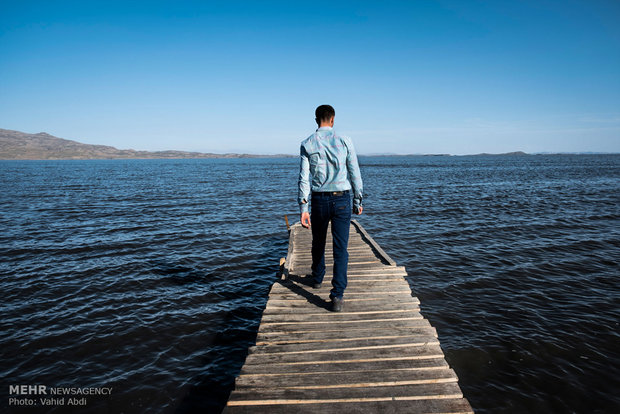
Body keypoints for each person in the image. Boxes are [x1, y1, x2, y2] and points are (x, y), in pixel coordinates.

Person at [298, 104, 363, 312]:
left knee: (318, 242)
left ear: (316, 120)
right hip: (342, 199)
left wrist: (303, 208)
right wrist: (358, 200)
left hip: (318, 200)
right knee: (340, 249)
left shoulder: (307, 144)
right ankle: (337, 297)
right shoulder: (344, 140)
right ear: (332, 119)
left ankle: (317, 279)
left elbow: (303, 179)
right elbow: (354, 172)